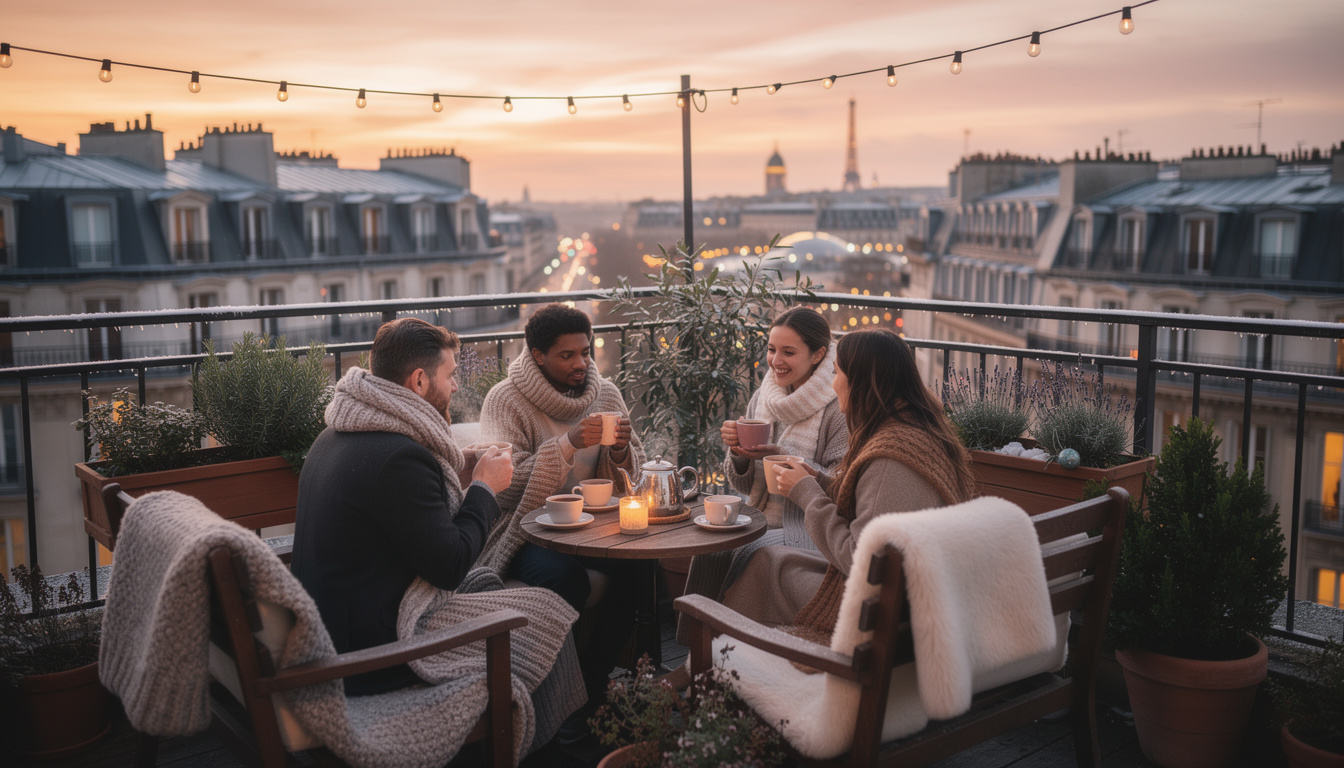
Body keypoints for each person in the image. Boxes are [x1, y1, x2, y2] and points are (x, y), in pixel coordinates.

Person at [720, 327, 978, 640]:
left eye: (836, 373)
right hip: (909, 589)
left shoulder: (891, 457)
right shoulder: (917, 430)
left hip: (883, 612)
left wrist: (806, 493)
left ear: (860, 382)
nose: (833, 383)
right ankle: (722, 659)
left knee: (764, 569)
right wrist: (818, 479)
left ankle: (719, 663)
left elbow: (860, 559)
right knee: (768, 560)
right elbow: (872, 500)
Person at [477, 303, 644, 700]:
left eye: (585, 352)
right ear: (538, 356)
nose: (581, 363)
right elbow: (506, 488)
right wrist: (568, 444)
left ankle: (592, 682)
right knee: (564, 578)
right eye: (567, 355)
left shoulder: (605, 393)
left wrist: (620, 451)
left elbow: (632, 477)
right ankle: (552, 695)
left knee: (639, 566)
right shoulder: (506, 400)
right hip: (524, 531)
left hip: (590, 526)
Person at [678, 307, 847, 636]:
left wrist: (786, 458)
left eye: (788, 352)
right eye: (771, 349)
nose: (776, 360)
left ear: (818, 355)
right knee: (709, 549)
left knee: (745, 549)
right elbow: (741, 481)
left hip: (805, 524)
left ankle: (724, 648)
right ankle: (694, 647)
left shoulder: (836, 406)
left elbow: (841, 483)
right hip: (758, 513)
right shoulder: (764, 396)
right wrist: (739, 454)